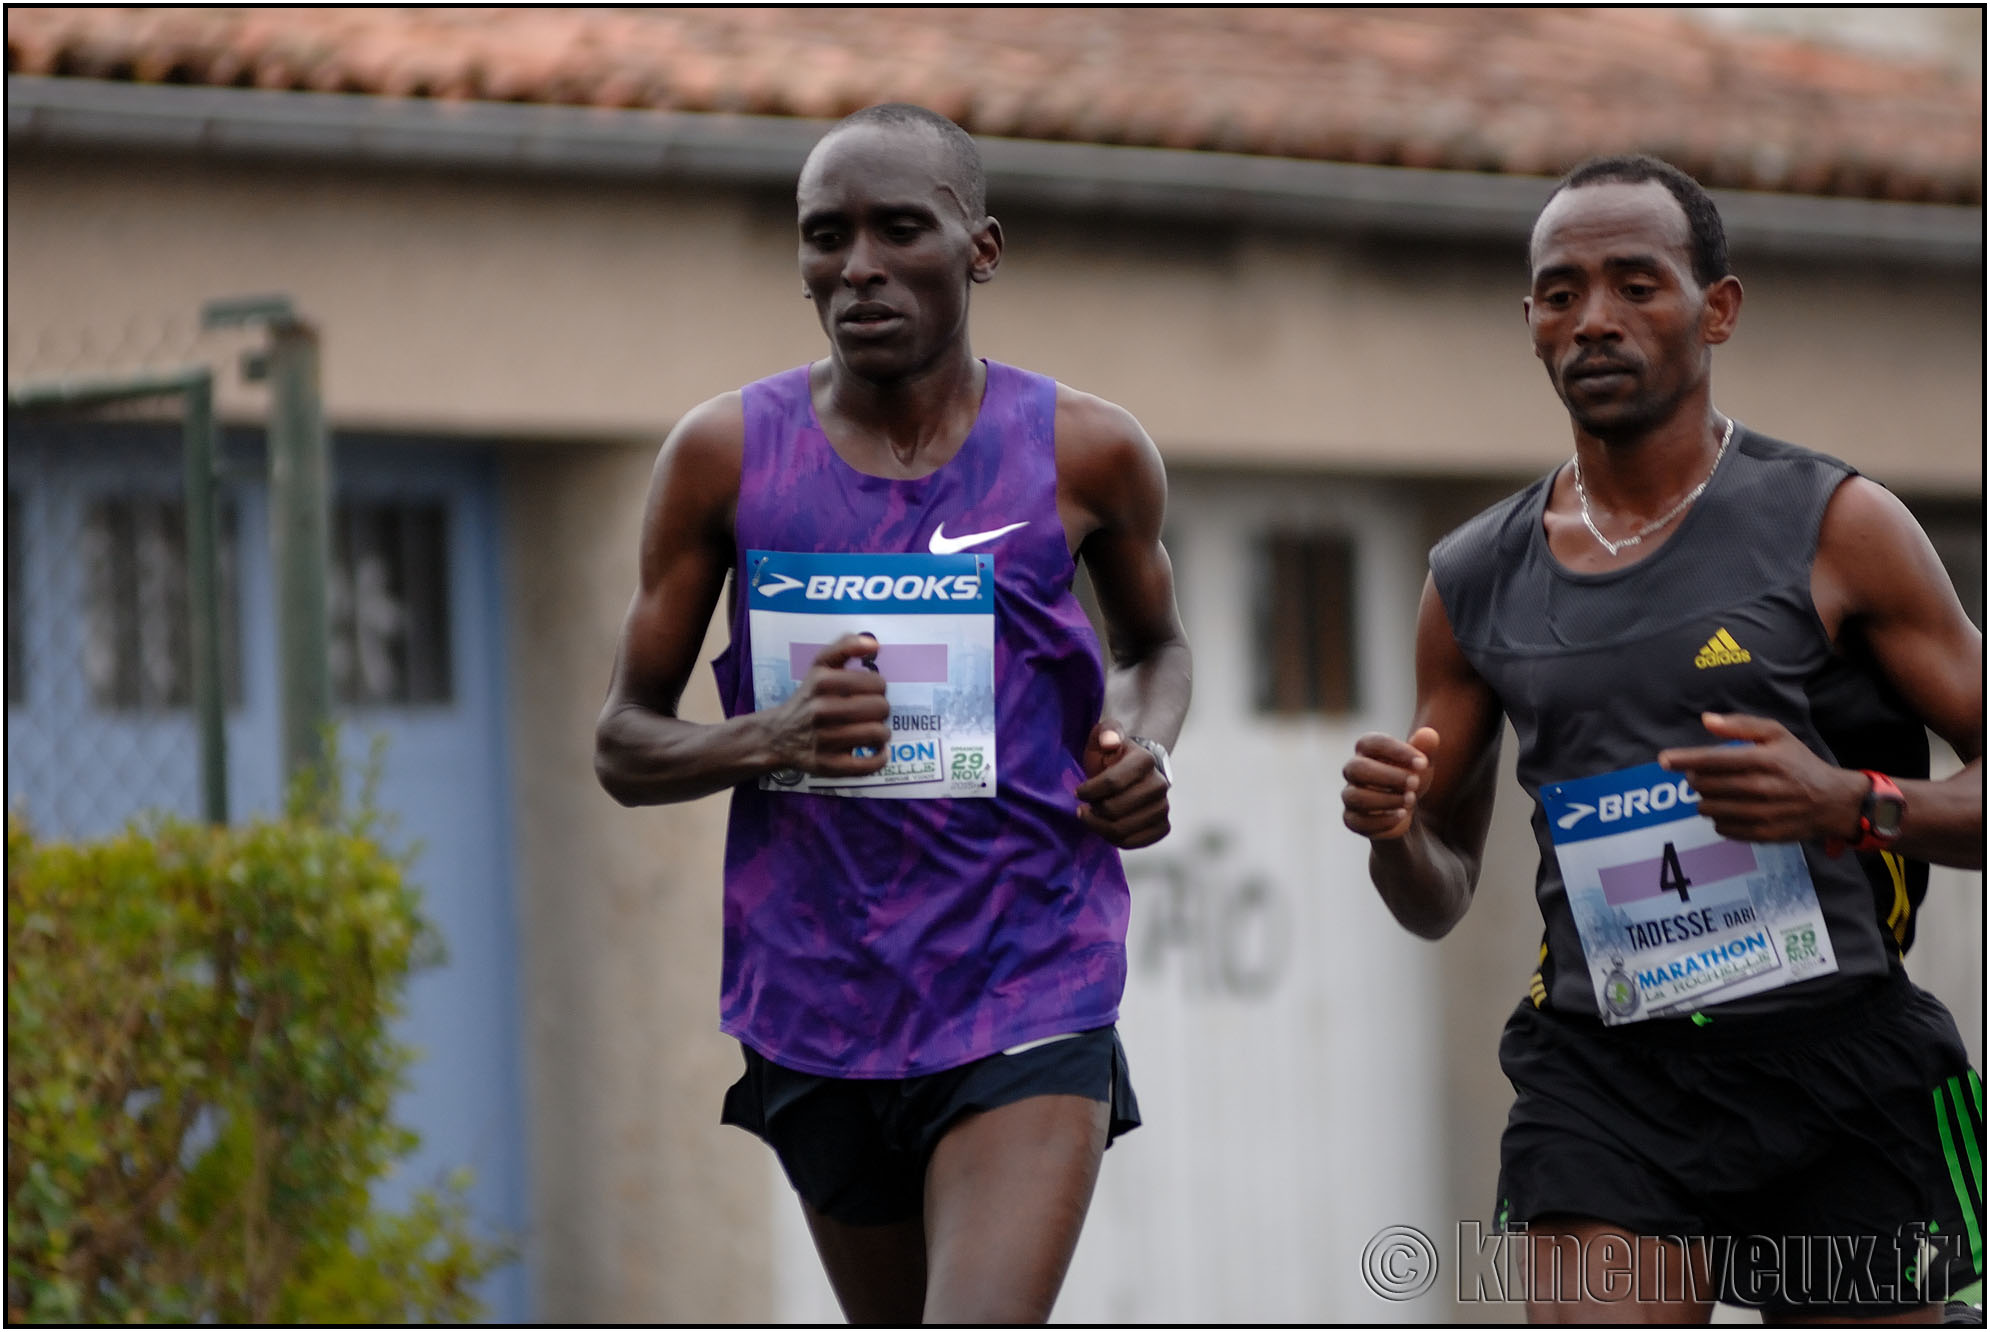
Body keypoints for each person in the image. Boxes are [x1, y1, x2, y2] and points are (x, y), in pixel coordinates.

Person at [1340, 155, 1983, 1324]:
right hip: (1604, 1069)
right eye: (1558, 292)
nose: (1593, 318)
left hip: (1840, 1056)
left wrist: (1849, 804)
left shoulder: (1837, 526)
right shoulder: (1474, 577)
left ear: (1715, 309)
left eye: (1636, 284)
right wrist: (1391, 834)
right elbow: (1435, 894)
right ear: (1528, 322)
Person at [594, 102, 1191, 1324]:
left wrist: (1141, 746)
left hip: (1027, 973)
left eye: (897, 229)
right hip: (819, 994)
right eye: (825, 237)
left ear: (981, 248)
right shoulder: (724, 456)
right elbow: (622, 741)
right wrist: (766, 737)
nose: (856, 265)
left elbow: (1156, 647)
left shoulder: (1085, 452)